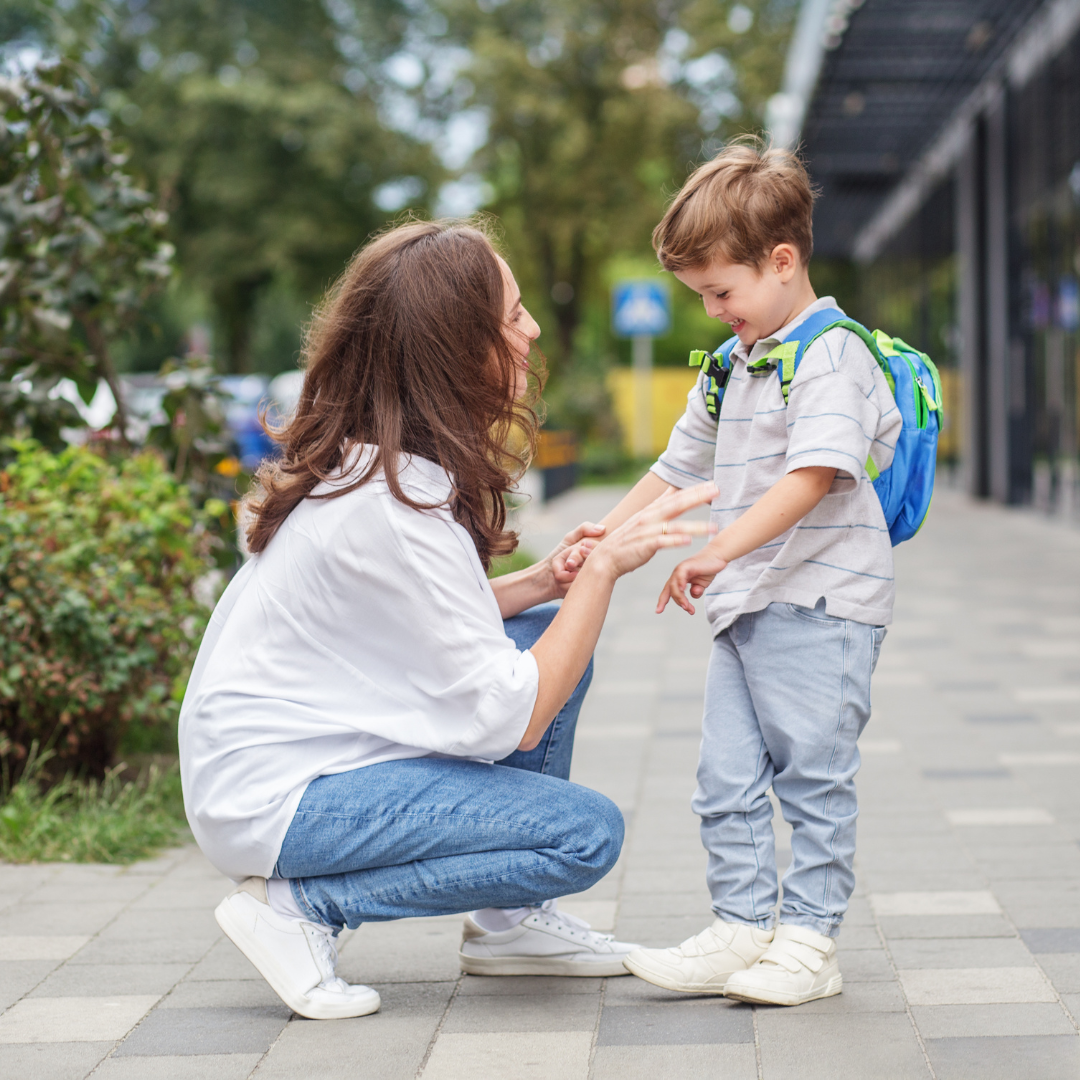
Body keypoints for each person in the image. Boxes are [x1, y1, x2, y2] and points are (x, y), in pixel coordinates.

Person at [178, 219, 716, 1021]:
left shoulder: (377, 468)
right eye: (515, 315)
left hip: (290, 762)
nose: (533, 329)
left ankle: (509, 927)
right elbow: (514, 718)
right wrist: (601, 570)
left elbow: (422, 622)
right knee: (581, 836)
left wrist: (541, 581)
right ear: (458, 347)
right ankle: (298, 909)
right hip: (277, 798)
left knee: (543, 637)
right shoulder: (391, 505)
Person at [560, 140, 899, 1006]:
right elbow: (676, 468)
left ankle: (810, 943)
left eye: (722, 292)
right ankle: (744, 927)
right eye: (701, 295)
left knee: (814, 778)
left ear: (782, 262)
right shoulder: (735, 363)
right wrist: (609, 530)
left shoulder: (833, 357)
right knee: (724, 779)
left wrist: (716, 548)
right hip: (749, 606)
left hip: (822, 602)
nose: (713, 311)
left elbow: (814, 474)